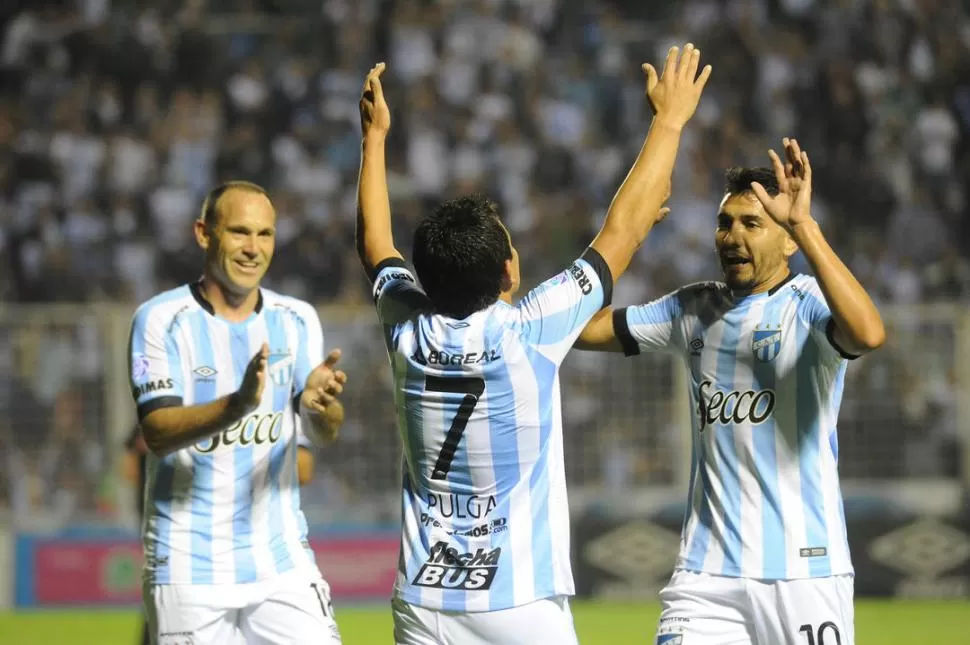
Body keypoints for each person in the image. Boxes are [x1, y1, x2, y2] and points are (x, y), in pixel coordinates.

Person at [356, 45, 711, 645]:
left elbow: (374, 245)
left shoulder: (405, 329)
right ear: (508, 274)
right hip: (517, 596)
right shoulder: (531, 329)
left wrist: (375, 139)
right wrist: (669, 121)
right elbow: (622, 230)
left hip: (423, 598)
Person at [577, 139, 886, 645]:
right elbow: (583, 329)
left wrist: (805, 227)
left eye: (752, 223)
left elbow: (869, 334)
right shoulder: (692, 308)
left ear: (787, 241)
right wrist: (626, 241)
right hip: (706, 574)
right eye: (726, 223)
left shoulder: (808, 304)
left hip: (804, 571)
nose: (732, 236)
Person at [127, 180, 347, 645]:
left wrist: (321, 409)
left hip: (281, 559)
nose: (253, 248)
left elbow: (323, 435)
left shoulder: (297, 318)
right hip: (188, 564)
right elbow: (159, 432)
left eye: (265, 234)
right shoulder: (161, 319)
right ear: (204, 234)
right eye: (240, 233)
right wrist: (238, 404)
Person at [122, 421, 319, 645]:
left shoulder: (273, 409)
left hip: (249, 534)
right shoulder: (165, 406)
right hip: (179, 531)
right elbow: (130, 468)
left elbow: (304, 469)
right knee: (172, 604)